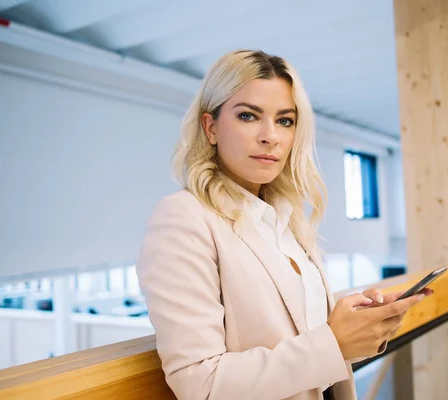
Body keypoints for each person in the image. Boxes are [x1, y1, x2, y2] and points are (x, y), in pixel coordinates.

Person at [136, 49, 431, 400]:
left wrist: (360, 327)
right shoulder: (183, 217)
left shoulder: (285, 220)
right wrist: (333, 342)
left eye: (285, 120)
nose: (270, 136)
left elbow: (310, 349)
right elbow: (201, 385)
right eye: (248, 116)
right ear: (210, 127)